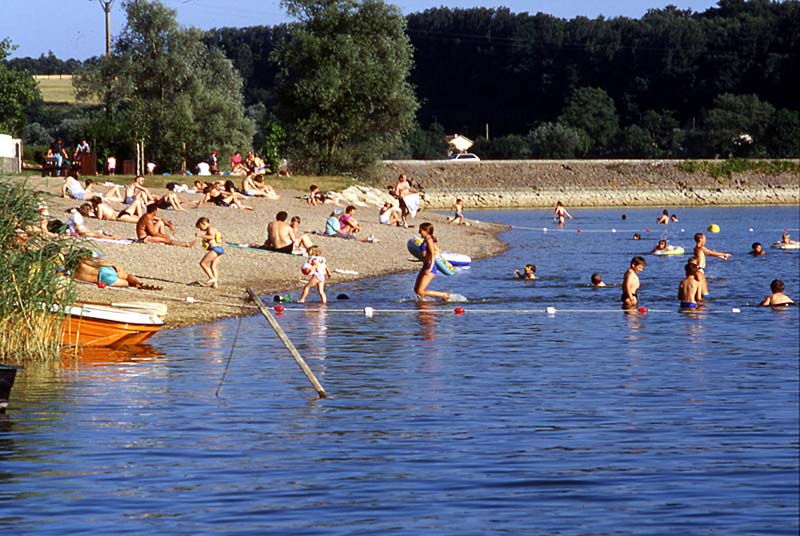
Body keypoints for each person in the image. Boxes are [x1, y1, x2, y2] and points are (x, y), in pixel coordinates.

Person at [72, 254, 161, 290]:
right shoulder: (82, 263)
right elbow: (97, 263)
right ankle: (141, 283)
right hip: (103, 270)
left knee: (127, 283)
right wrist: (112, 264)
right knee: (126, 276)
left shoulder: (73, 275)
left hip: (101, 280)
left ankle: (139, 286)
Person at [414, 222, 450, 301]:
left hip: (430, 266)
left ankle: (444, 295)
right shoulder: (427, 239)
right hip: (425, 265)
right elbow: (437, 250)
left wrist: (430, 268)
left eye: (420, 230)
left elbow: (432, 254)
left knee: (420, 291)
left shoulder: (428, 239)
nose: (419, 232)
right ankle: (423, 303)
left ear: (426, 231)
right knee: (416, 289)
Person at [195, 217, 224, 288]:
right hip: (220, 249)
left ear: (203, 223)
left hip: (215, 249)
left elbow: (212, 237)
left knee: (203, 263)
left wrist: (200, 236)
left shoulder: (210, 229)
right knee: (213, 267)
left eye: (200, 227)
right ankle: (215, 284)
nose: (201, 229)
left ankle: (212, 278)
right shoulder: (214, 229)